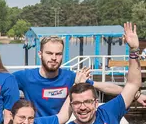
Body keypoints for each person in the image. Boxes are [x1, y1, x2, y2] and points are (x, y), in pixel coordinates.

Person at [12, 36, 146, 117]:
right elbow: (1, 82)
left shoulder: (70, 77)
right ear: (40, 54)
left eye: (58, 54)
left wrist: (137, 95)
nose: (54, 58)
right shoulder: (25, 77)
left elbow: (104, 86)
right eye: (49, 53)